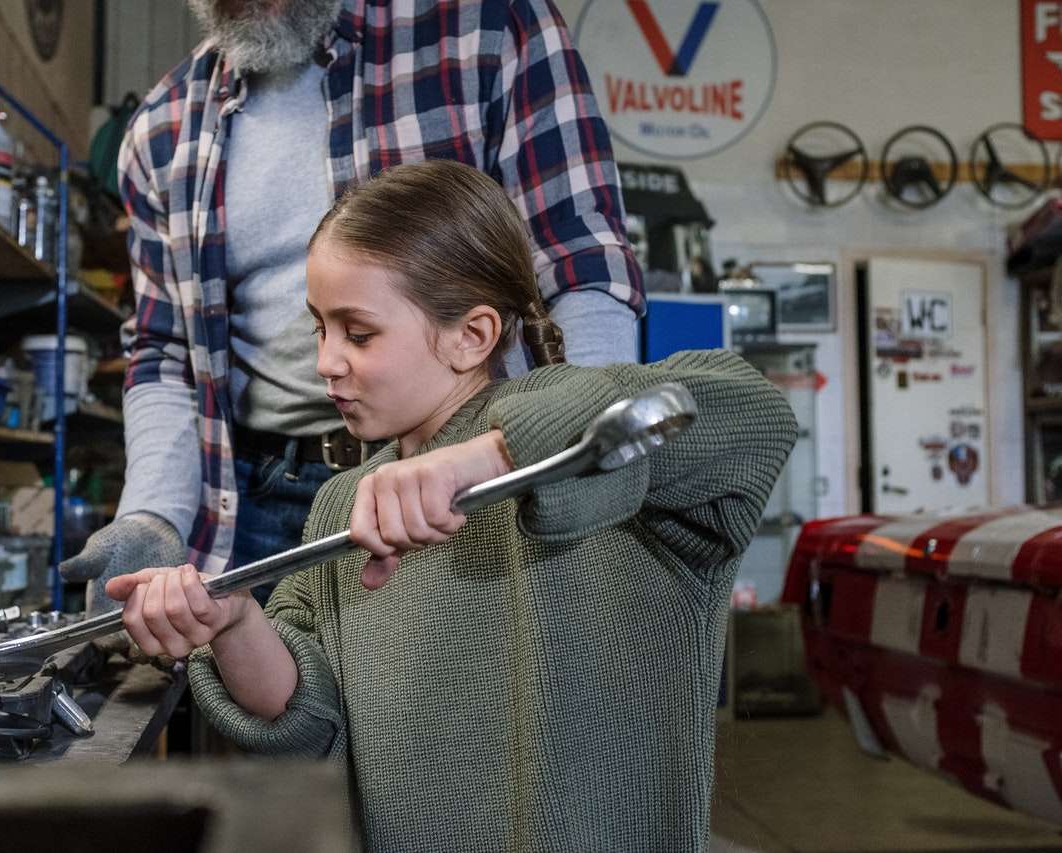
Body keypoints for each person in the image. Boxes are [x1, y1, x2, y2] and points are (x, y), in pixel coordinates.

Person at [107, 161, 797, 851]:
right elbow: (309, 721)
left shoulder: (602, 459)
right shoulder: (345, 504)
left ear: (472, 335)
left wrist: (488, 459)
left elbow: (757, 415)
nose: (326, 361)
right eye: (320, 327)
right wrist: (231, 622)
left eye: (359, 332)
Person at [60, 0, 646, 613]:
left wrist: (570, 449)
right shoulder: (162, 130)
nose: (326, 364)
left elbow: (583, 264)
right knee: (277, 698)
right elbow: (165, 352)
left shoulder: (487, 31)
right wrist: (153, 514)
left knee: (458, 699)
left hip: (460, 482)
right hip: (254, 501)